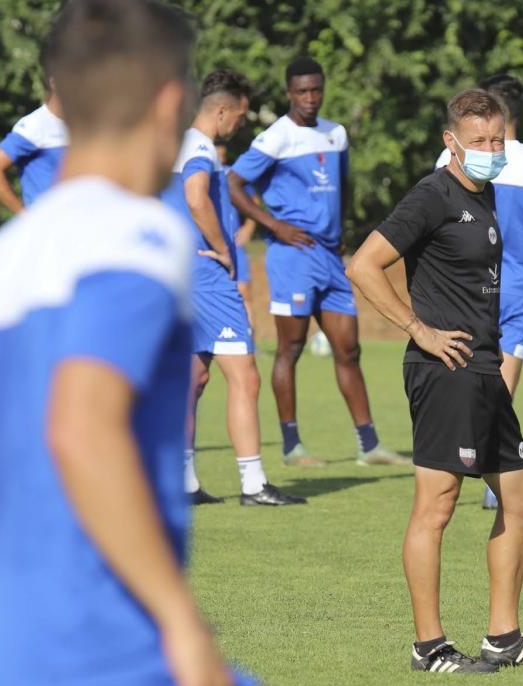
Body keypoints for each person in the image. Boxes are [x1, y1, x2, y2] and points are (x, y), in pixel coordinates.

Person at [0, 2, 383, 686]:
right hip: (116, 671)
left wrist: (48, 592)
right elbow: (82, 430)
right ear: (169, 102)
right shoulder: (136, 238)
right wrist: (176, 620)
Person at [347, 88, 523, 673]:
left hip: (484, 367)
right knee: (438, 503)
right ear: (451, 142)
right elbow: (364, 265)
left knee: (521, 497)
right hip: (444, 368)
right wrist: (417, 328)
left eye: (497, 139)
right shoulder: (432, 196)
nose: (491, 149)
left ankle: (504, 637)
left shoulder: (491, 193)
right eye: (479, 141)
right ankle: (430, 647)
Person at [229, 57, 408, 468]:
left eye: (316, 90)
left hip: (330, 256)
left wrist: (340, 227)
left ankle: (369, 445)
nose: (310, 98)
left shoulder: (336, 134)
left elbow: (342, 186)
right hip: (292, 257)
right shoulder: (276, 137)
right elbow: (234, 183)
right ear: (289, 93)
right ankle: (292, 446)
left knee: (349, 349)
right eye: (302, 91)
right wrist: (274, 224)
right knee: (290, 347)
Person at [162, 69, 304, 507]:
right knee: (244, 375)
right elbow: (195, 196)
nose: (240, 125)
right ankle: (253, 483)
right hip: (205, 276)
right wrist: (224, 249)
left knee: (193, 376)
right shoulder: (200, 147)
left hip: (177, 271)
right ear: (221, 110)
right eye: (239, 116)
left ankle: (182, 482)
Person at [435, 73, 523, 508]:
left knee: (467, 384)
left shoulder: (451, 156)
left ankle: (462, 467)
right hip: (518, 292)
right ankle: (495, 479)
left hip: (466, 290)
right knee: (502, 389)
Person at [0, 48, 69, 213]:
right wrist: (26, 218)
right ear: (54, 82)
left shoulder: (82, 124)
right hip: (48, 233)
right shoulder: (35, 125)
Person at [216, 142, 257, 330]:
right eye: (217, 155)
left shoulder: (231, 174)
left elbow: (253, 200)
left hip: (234, 244)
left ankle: (250, 340)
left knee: (243, 291)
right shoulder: (196, 172)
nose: (220, 159)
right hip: (208, 246)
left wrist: (249, 226)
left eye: (223, 155)